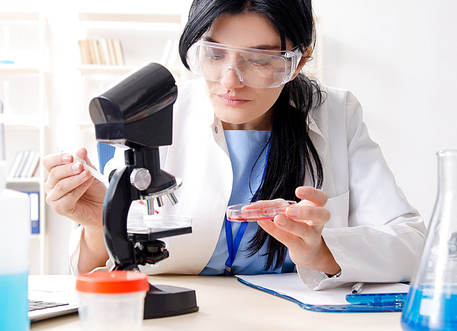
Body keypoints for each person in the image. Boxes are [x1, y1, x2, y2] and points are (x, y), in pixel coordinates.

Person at [43, 0, 425, 290]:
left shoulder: (336, 114)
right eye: (214, 53)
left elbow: (414, 243)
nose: (229, 80)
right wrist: (100, 226)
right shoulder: (155, 113)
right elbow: (102, 270)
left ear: (301, 59)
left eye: (259, 59)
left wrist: (322, 250)